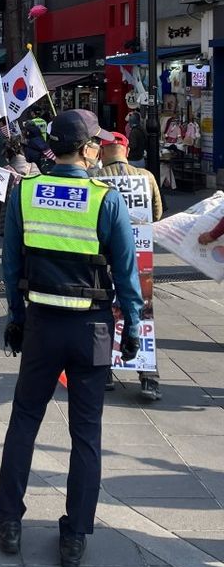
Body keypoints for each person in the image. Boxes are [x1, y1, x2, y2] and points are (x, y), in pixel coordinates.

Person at [0, 109, 143, 567]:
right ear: (86, 149)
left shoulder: (25, 192)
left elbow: (11, 266)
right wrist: (133, 326)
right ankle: (75, 536)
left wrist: (16, 317)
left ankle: (9, 520)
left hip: (42, 324)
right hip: (91, 329)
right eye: (95, 141)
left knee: (24, 420)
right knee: (86, 433)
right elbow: (126, 271)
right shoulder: (106, 200)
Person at [97, 131, 163, 402]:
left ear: (102, 152)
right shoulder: (146, 177)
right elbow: (156, 213)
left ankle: (105, 371)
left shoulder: (95, 178)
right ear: (126, 150)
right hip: (139, 254)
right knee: (142, 311)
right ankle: (148, 377)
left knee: (103, 310)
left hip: (103, 256)